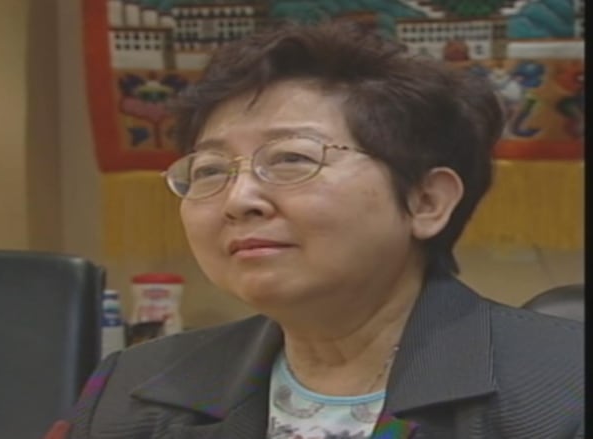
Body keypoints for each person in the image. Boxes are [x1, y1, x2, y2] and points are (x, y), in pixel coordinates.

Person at [46, 20, 583, 438]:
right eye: (209, 171)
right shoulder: (134, 388)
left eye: (291, 160)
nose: (239, 200)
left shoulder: (564, 389)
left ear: (426, 201)